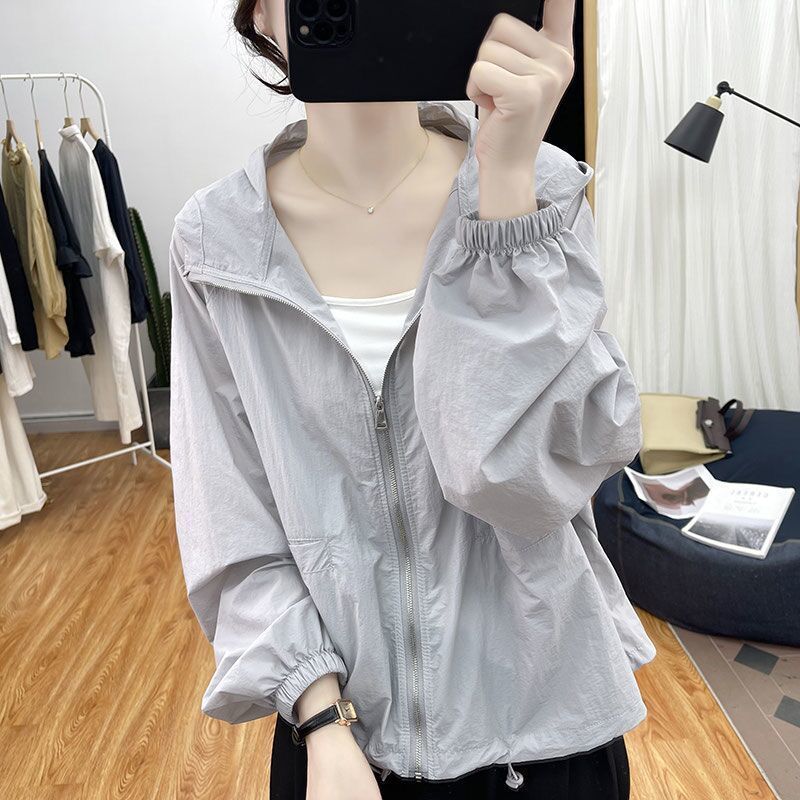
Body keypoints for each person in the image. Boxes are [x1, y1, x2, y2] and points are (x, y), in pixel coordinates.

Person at [168, 1, 658, 798]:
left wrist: (505, 193)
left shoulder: (541, 189)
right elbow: (232, 523)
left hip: (545, 735)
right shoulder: (216, 241)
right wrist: (321, 720)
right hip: (338, 745)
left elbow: (527, 483)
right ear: (260, 13)